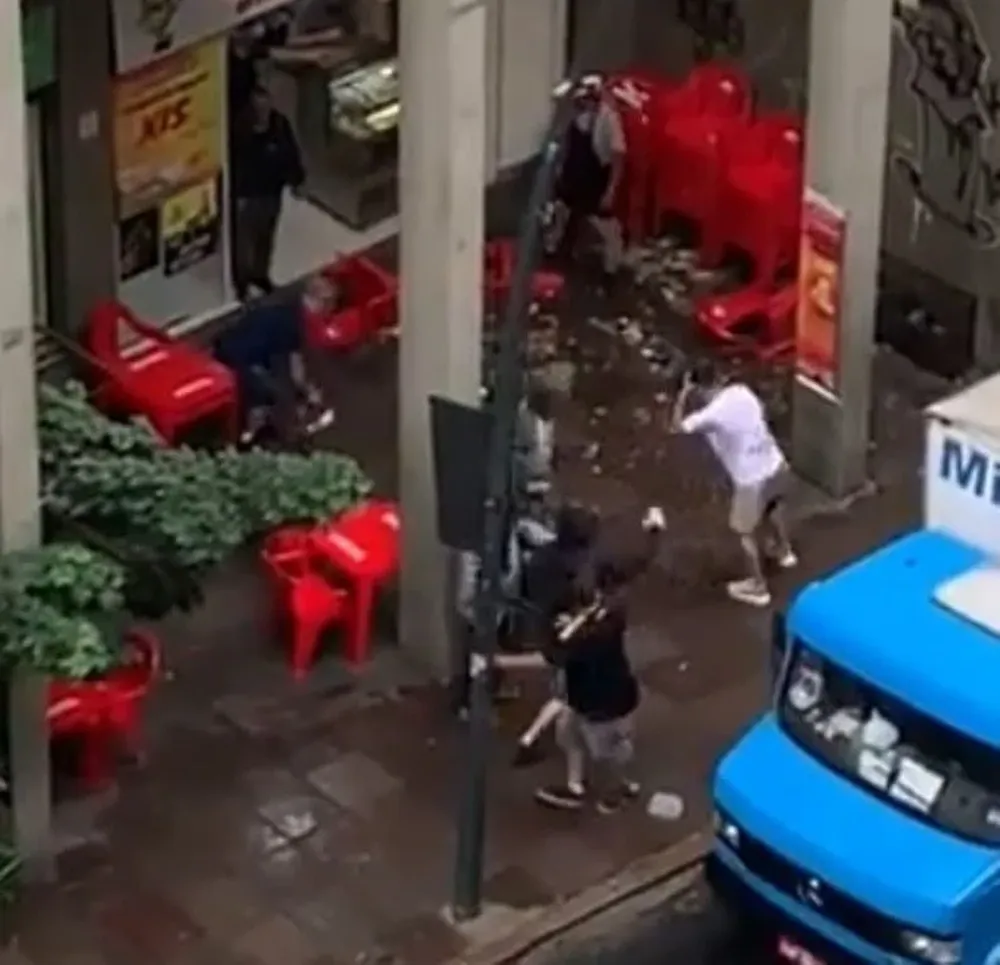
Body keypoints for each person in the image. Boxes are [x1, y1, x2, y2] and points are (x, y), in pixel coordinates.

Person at [535, 505, 667, 813]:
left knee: (604, 749)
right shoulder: (608, 603)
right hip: (606, 692)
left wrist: (501, 662)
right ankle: (576, 785)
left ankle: (617, 790)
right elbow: (637, 562)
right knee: (570, 731)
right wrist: (654, 533)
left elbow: (554, 655)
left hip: (598, 700)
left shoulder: (586, 632)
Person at [671, 358, 797, 607]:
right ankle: (784, 552)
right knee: (772, 509)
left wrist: (683, 392)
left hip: (751, 481)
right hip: (775, 463)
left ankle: (758, 587)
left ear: (700, 388)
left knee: (743, 533)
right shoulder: (742, 392)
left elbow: (676, 427)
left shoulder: (710, 414)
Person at [213, 274, 336, 445]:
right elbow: (295, 369)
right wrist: (308, 391)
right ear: (317, 301)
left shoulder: (286, 302)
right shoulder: (295, 323)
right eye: (327, 304)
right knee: (266, 395)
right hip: (238, 357)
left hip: (229, 342)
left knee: (266, 379)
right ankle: (247, 436)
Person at [548, 75, 626, 285]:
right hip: (572, 174)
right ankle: (554, 253)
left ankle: (611, 271)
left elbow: (618, 157)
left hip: (594, 180)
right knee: (560, 213)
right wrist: (557, 171)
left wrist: (611, 191)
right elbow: (564, 145)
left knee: (609, 230)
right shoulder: (572, 115)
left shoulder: (608, 119)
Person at [230, 86, 305, 300]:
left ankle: (260, 275)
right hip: (247, 194)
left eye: (266, 106)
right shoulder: (240, 130)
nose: (263, 112)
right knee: (244, 241)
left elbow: (291, 152)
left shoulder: (279, 125)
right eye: (258, 108)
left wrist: (296, 179)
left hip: (271, 192)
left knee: (265, 237)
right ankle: (242, 283)